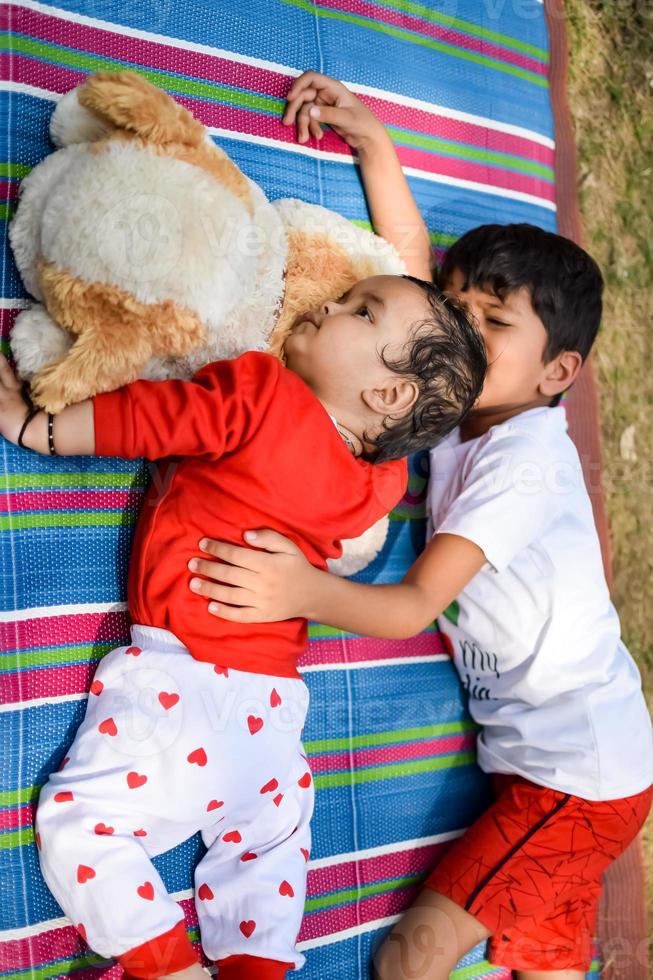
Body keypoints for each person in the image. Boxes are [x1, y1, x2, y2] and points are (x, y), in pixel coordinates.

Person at [186, 74, 653, 980]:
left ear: (556, 374)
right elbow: (409, 271)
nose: (466, 337)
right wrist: (374, 144)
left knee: (409, 960)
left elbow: (407, 609)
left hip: (575, 779)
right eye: (460, 314)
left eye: (494, 324)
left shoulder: (521, 468)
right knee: (550, 966)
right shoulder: (450, 401)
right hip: (564, 772)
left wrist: (299, 591)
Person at [0, 270, 485, 980]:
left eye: (360, 311)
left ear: (387, 394)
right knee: (267, 850)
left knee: (83, 824)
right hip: (272, 714)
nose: (326, 303)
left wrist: (36, 428)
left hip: (179, 684)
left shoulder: (260, 394)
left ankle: (163, 962)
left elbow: (154, 417)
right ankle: (253, 965)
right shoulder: (375, 485)